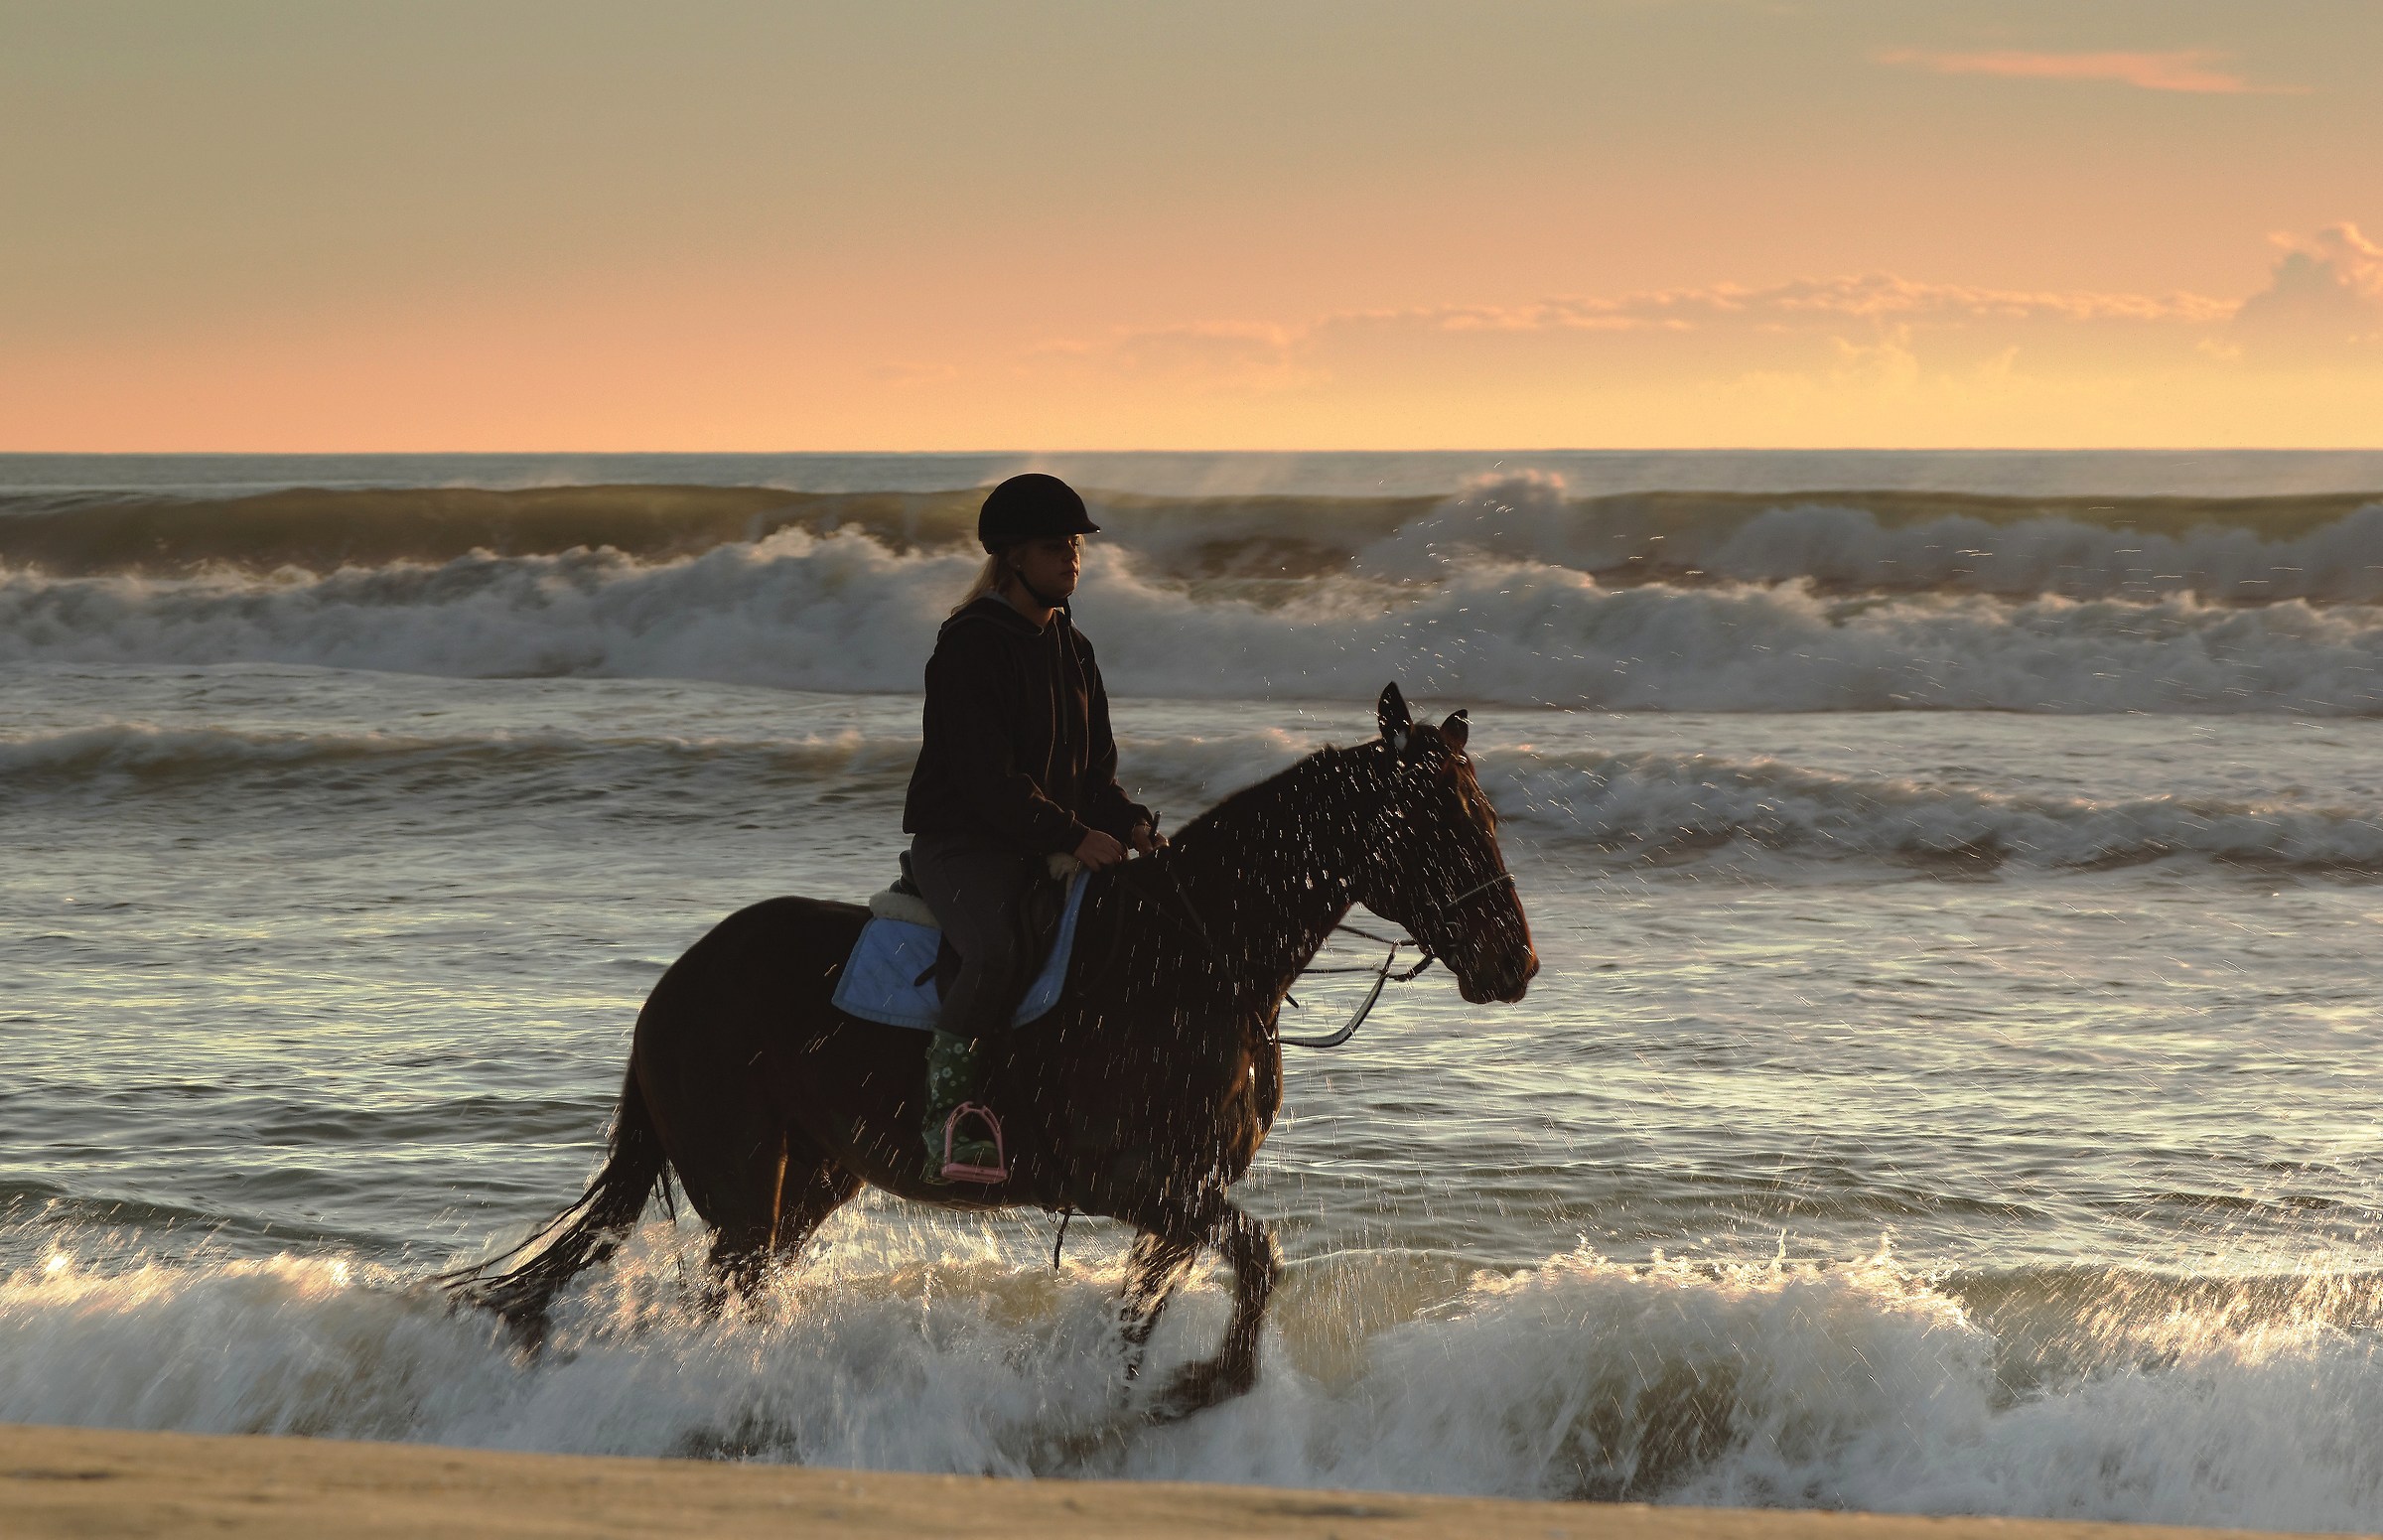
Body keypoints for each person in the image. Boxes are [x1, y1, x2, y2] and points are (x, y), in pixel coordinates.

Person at [900, 473, 1159, 1183]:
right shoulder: (970, 644)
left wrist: (1129, 823)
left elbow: (1095, 775)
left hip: (1042, 835)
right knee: (995, 949)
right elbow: (986, 779)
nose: (1072, 558)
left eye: (1076, 545)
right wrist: (1071, 835)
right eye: (1055, 546)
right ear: (1014, 557)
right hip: (964, 842)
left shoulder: (1076, 651)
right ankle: (945, 1120)